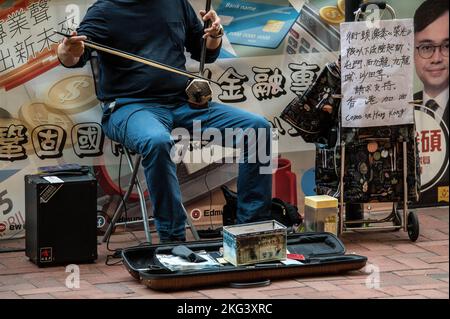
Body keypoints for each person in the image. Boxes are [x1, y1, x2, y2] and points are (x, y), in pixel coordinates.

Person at [57, 0, 273, 243]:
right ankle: (173, 241)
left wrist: (214, 35)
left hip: (183, 104)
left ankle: (252, 229)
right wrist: (68, 49)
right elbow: (71, 57)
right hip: (130, 108)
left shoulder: (176, 3)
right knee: (158, 141)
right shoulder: (104, 10)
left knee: (258, 129)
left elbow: (205, 52)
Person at [413, 0, 449, 205]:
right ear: (413, 52)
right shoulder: (401, 109)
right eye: (426, 47)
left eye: (446, 46)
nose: (437, 58)